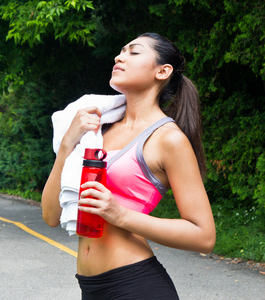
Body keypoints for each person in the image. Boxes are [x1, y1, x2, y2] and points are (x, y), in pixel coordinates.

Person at [41, 32, 216, 299]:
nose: (119, 57)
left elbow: (203, 236)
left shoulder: (168, 139)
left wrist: (120, 215)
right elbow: (51, 216)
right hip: (90, 289)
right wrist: (66, 145)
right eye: (121, 51)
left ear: (163, 71)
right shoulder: (98, 130)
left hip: (136, 285)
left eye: (133, 52)